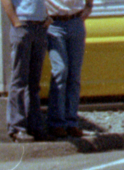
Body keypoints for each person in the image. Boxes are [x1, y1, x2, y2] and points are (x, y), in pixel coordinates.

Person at [2, 0, 49, 141]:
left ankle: (35, 126)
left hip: (40, 26)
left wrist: (48, 17)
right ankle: (17, 128)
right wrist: (16, 22)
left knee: (34, 82)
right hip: (23, 24)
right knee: (19, 80)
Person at [47, 0, 92, 138]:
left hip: (75, 20)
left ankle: (71, 122)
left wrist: (89, 6)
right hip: (54, 23)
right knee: (60, 71)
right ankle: (56, 122)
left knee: (74, 74)